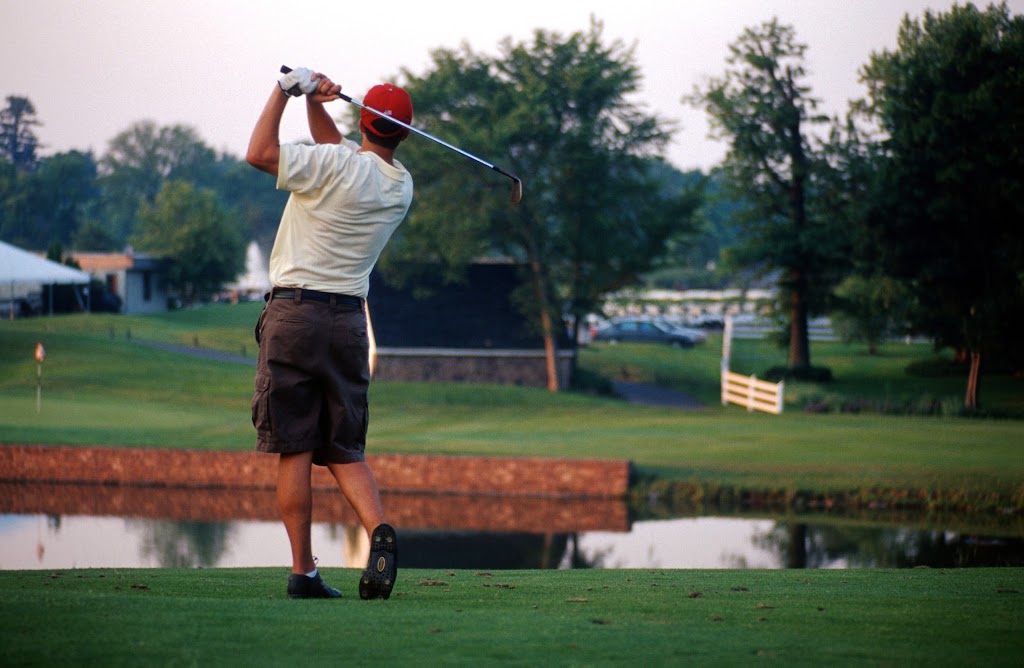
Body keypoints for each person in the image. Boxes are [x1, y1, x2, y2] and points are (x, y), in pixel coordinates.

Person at [246, 66, 413, 600]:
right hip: (347, 322)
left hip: (294, 314)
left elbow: (259, 154)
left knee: (294, 447)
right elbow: (342, 152)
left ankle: (304, 573)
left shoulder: (331, 165)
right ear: (402, 134)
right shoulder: (399, 186)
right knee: (345, 447)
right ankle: (379, 531)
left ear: (364, 121)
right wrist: (318, 101)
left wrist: (284, 92)